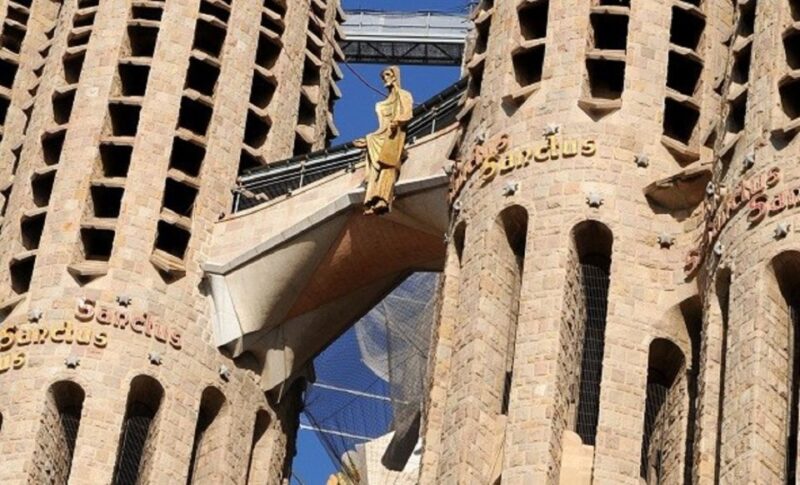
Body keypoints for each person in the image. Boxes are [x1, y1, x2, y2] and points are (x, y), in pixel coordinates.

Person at [353, 66, 413, 215]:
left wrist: (397, 121)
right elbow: (381, 127)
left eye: (387, 74)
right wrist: (368, 140)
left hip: (395, 135)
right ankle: (371, 200)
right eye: (383, 76)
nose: (385, 78)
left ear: (394, 76)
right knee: (375, 169)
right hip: (382, 136)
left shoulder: (404, 95)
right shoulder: (381, 104)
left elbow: (407, 114)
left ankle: (383, 199)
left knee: (389, 165)